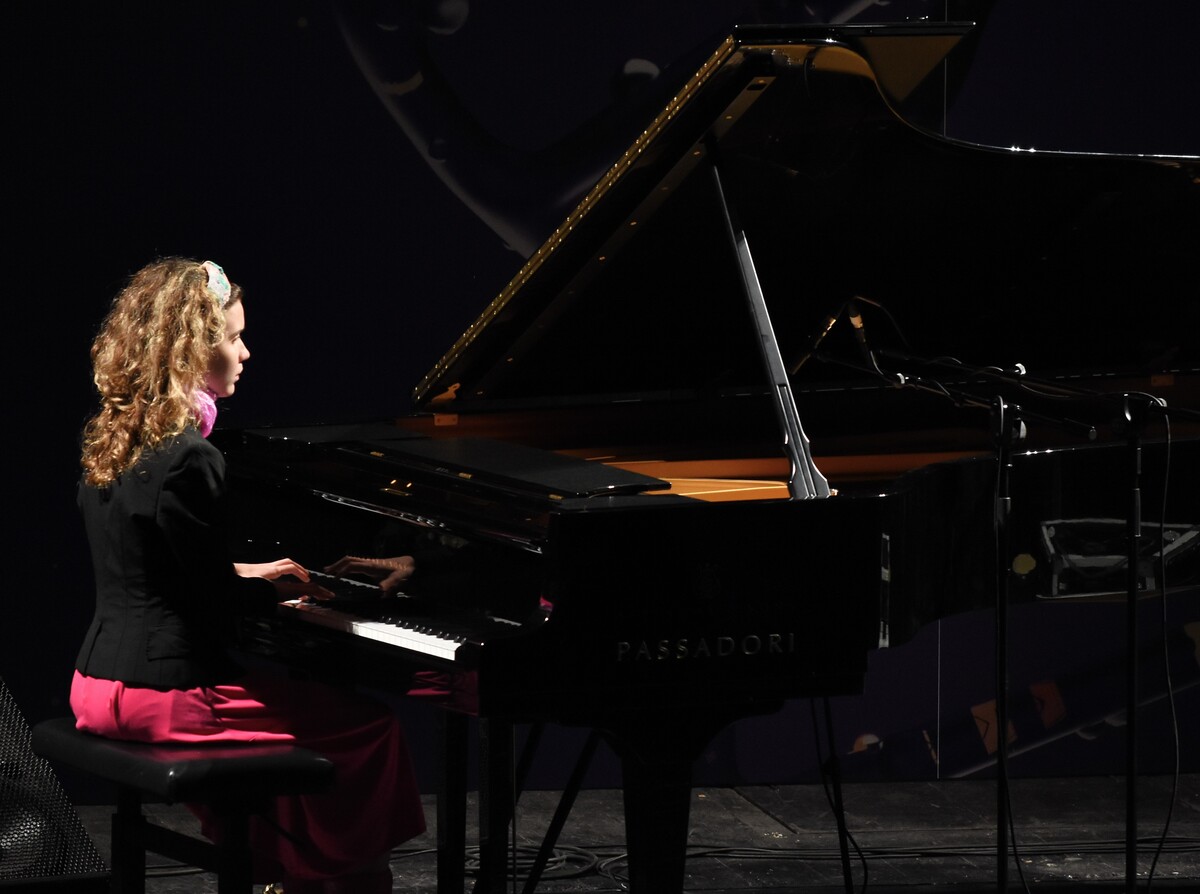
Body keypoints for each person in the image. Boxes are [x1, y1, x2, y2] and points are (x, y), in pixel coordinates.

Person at [71, 257, 424, 894]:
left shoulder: (117, 439)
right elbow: (213, 605)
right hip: (167, 695)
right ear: (189, 351)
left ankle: (285, 872)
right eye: (233, 338)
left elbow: (160, 569)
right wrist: (300, 600)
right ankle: (349, 878)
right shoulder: (194, 458)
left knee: (285, 726)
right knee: (369, 727)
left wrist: (254, 572)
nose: (246, 351)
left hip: (96, 686)